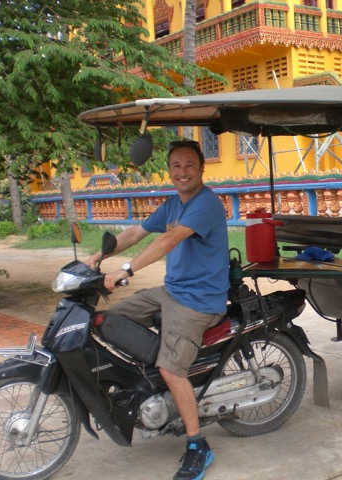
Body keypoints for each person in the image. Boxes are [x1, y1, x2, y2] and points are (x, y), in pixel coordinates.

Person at [86, 140, 229, 480]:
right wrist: (98, 256)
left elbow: (167, 241)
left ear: (201, 169)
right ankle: (149, 384)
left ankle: (197, 444)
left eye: (189, 165)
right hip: (172, 291)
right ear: (170, 170)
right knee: (107, 319)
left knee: (171, 369)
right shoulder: (172, 203)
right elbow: (137, 231)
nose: (182, 172)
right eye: (176, 166)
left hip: (198, 301)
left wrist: (126, 271)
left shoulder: (206, 204)